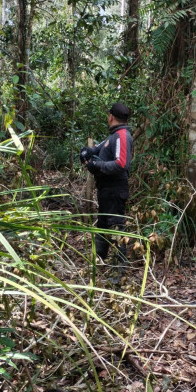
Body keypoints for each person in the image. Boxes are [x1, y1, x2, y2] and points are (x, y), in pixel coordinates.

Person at [80, 103, 134, 278]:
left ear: (111, 117)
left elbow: (121, 163)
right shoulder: (113, 136)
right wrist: (86, 152)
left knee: (116, 227)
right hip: (105, 189)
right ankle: (98, 262)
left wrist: (97, 165)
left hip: (115, 189)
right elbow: (97, 149)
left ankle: (119, 271)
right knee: (103, 224)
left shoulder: (122, 136)